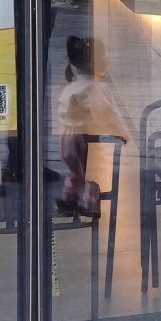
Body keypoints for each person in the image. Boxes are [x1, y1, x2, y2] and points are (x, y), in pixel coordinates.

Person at [55, 36, 128, 217]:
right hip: (84, 137)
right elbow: (105, 115)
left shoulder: (73, 86)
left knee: (75, 170)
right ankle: (91, 204)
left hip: (65, 136)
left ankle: (68, 200)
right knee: (94, 170)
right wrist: (120, 133)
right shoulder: (96, 87)